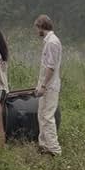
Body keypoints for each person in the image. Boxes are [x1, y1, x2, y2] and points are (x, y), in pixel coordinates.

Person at [34, 15, 62, 156]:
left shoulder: (51, 42)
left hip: (49, 87)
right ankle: (44, 145)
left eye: (36, 28)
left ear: (41, 27)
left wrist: (43, 86)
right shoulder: (49, 41)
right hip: (46, 85)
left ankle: (54, 150)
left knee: (48, 117)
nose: (36, 31)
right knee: (41, 115)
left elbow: (50, 67)